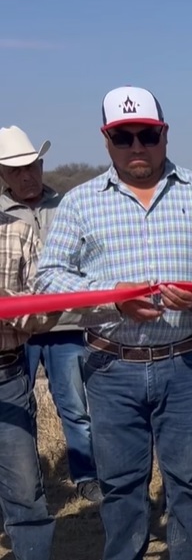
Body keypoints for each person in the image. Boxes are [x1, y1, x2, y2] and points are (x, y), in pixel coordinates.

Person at [34, 85, 192, 560]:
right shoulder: (80, 202)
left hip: (187, 363)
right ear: (106, 139)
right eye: (124, 136)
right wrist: (113, 305)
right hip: (111, 367)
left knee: (191, 484)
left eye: (147, 134)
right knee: (121, 488)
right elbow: (50, 278)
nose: (137, 146)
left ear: (165, 133)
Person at [0, 125, 101, 503]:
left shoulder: (69, 207)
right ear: (3, 175)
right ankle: (26, 480)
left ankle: (86, 475)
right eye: (16, 170)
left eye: (32, 166)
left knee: (74, 406)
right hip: (11, 333)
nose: (26, 175)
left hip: (65, 325)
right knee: (16, 405)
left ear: (41, 165)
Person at [0, 207, 59, 560]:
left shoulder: (20, 232)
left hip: (7, 374)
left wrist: (10, 307)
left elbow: (46, 312)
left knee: (23, 489)